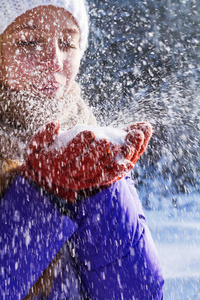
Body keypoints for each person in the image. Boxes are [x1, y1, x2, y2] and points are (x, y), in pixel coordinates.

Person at [0, 0, 164, 299]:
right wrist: (41, 193)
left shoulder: (87, 144)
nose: (54, 61)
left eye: (67, 43)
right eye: (28, 41)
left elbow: (137, 294)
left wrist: (102, 192)